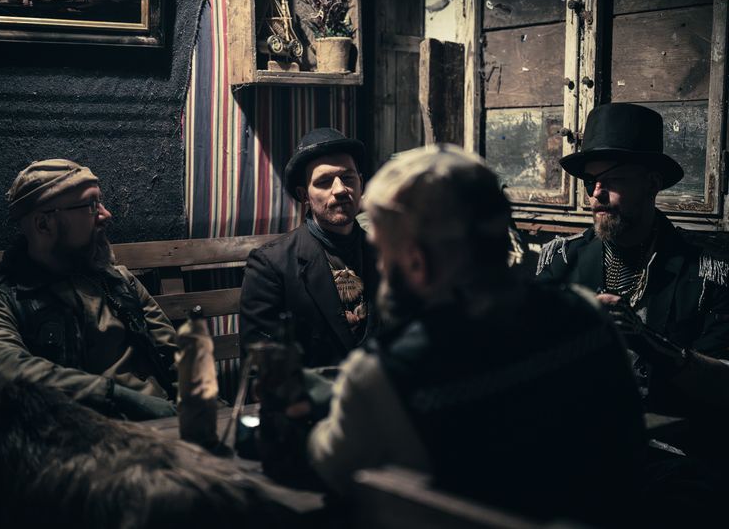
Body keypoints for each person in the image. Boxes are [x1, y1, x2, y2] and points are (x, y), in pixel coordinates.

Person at [307, 144, 647, 524]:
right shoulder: (587, 315)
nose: (382, 267)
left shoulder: (382, 372)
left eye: (384, 253)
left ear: (417, 261)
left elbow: (329, 465)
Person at [536, 103, 729, 463]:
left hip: (673, 456)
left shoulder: (708, 272)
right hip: (575, 445)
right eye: (590, 181)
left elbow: (722, 385)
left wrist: (645, 340)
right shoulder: (561, 260)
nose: (596, 194)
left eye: (612, 180)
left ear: (652, 183)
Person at [0, 159, 179, 421]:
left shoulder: (120, 282)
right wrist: (117, 397)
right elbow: (3, 370)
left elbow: (177, 357)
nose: (106, 215)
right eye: (91, 205)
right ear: (44, 224)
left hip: (170, 425)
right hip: (86, 436)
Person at [240, 128, 379, 367]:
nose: (340, 190)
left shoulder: (386, 252)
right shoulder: (271, 266)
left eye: (348, 178)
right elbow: (260, 368)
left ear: (361, 183)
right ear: (304, 195)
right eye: (324, 182)